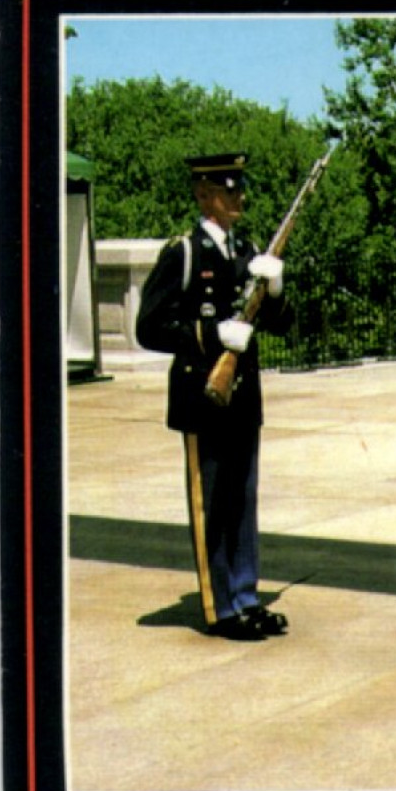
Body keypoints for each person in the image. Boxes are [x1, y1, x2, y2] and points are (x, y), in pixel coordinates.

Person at [135, 152, 293, 641]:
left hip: (243, 399)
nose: (239, 197)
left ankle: (246, 597)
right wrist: (210, 336)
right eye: (229, 190)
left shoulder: (247, 251)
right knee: (212, 503)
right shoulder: (184, 253)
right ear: (205, 196)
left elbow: (282, 324)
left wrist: (277, 286)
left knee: (242, 501)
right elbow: (149, 327)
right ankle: (219, 606)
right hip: (203, 397)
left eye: (241, 188)